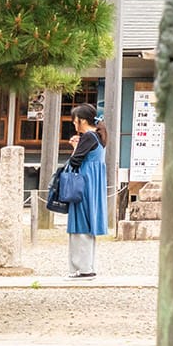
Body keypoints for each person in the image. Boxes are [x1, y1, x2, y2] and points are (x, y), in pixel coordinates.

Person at [65, 104, 109, 278]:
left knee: (80, 223)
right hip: (92, 183)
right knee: (87, 222)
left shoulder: (88, 137)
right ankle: (86, 266)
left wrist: (75, 147)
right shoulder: (98, 136)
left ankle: (82, 268)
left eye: (75, 119)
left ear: (81, 120)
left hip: (82, 183)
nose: (74, 123)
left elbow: (75, 161)